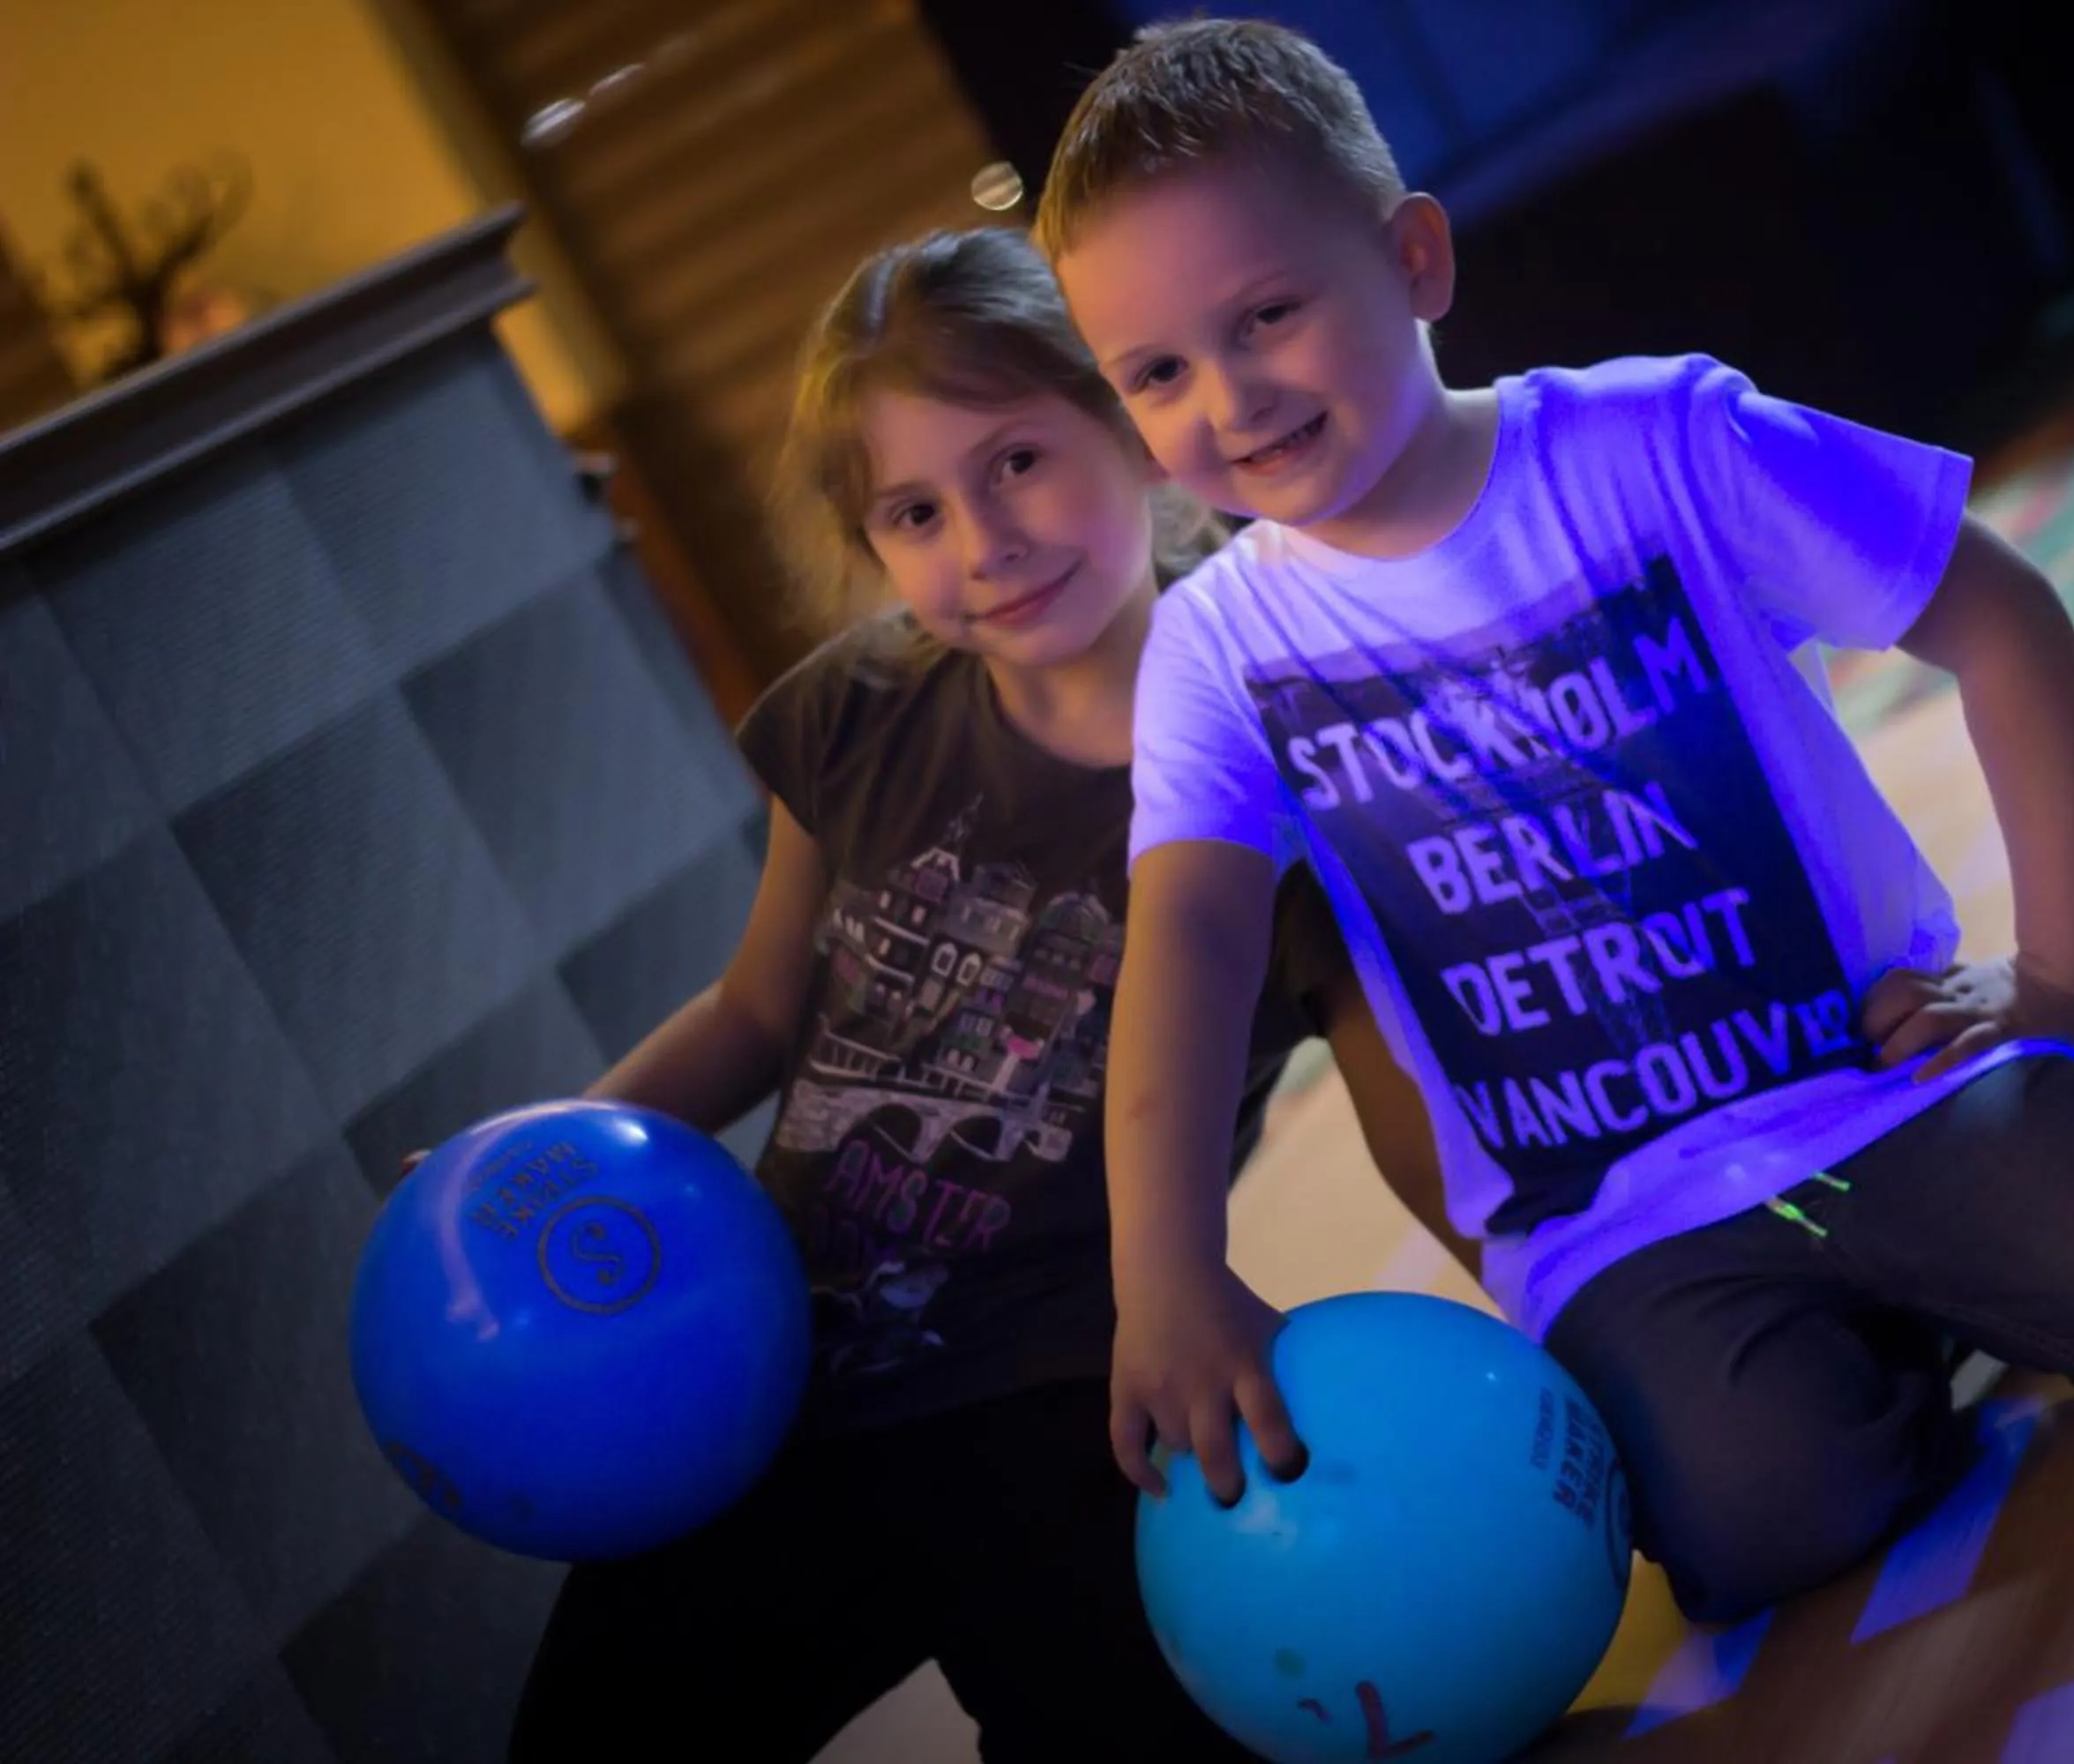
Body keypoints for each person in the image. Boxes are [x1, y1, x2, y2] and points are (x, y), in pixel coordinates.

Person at [1043, 19, 2074, 1625]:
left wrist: (2065, 981)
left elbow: (1997, 616)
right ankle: (1905, 1313)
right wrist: (1161, 1275)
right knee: (1758, 1530)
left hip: (1882, 1083)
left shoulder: (1660, 439)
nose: (1228, 396)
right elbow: (1188, 945)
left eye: (1269, 315)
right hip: (1628, 1228)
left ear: (1416, 258)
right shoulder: (1212, 652)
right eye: (1156, 372)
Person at [488, 226, 1456, 1761]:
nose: (983, 543)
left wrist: (1562, 1284)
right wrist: (524, 1171)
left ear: (1131, 431)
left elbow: (1409, 1087)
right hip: (781, 1383)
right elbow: (753, 1011)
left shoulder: (1275, 757)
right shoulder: (854, 714)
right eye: (916, 511)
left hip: (1074, 1390)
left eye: (1016, 463)